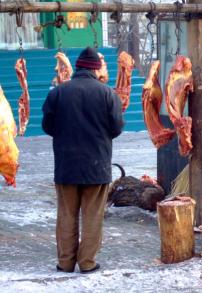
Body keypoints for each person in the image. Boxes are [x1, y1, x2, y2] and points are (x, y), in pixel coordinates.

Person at [42, 47, 124, 273]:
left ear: (77, 67)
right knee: (92, 216)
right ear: (96, 70)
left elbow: (47, 126)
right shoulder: (108, 94)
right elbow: (116, 128)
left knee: (66, 215)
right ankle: (87, 262)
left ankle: (65, 262)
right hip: (96, 166)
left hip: (66, 165)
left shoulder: (58, 93)